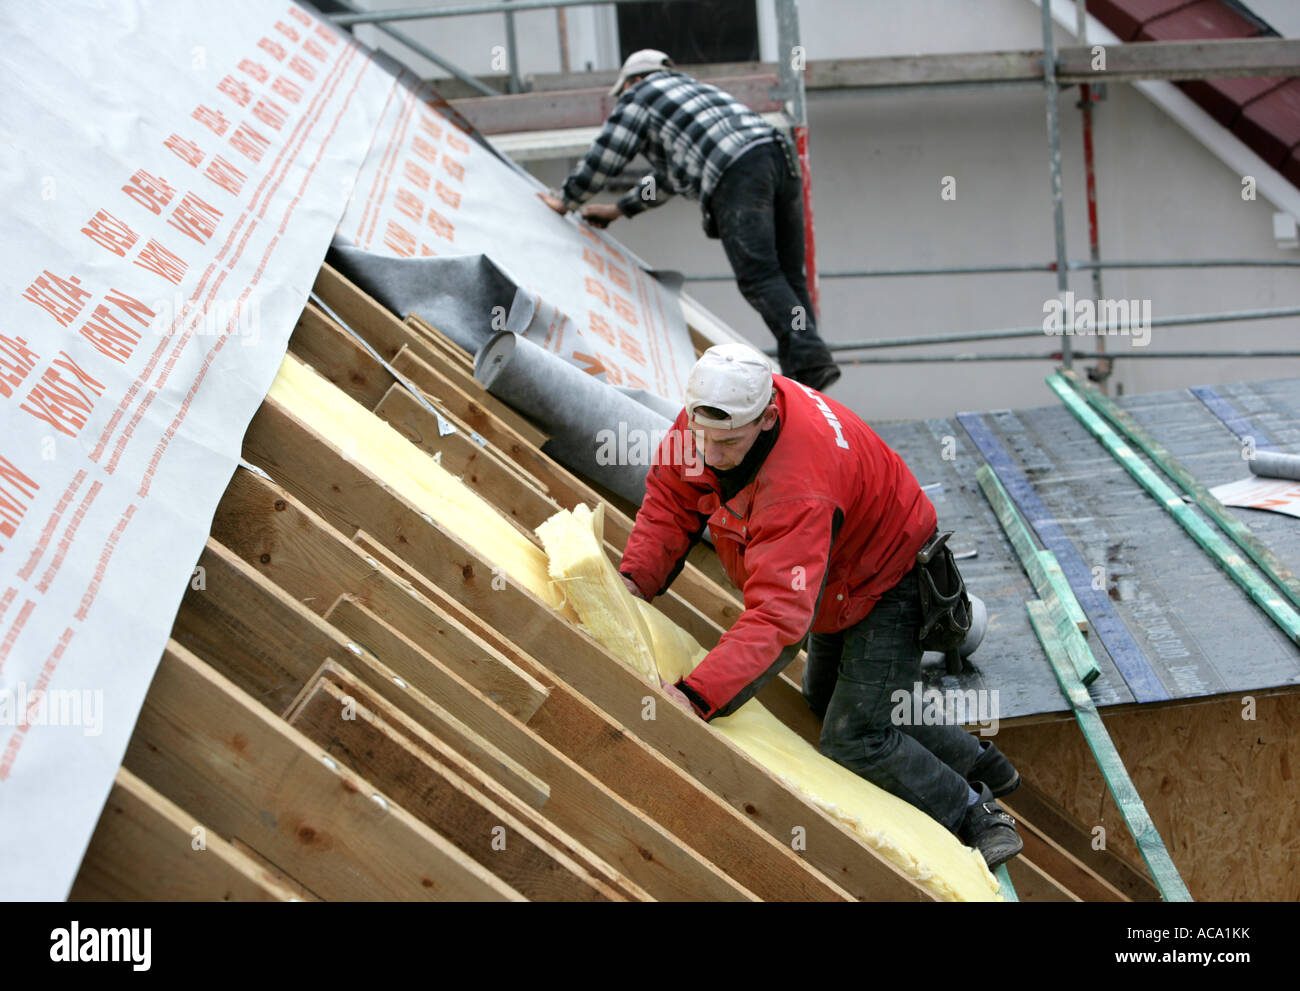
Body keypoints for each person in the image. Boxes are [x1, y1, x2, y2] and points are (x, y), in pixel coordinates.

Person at [617, 341, 1023, 869]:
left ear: (766, 418)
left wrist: (695, 697)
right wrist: (634, 581)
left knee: (854, 737)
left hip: (889, 576)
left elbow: (778, 617)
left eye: (728, 443)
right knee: (827, 696)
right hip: (835, 568)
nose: (710, 454)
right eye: (702, 438)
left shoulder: (798, 486)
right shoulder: (714, 416)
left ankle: (977, 813)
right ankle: (980, 763)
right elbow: (671, 503)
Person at [539, 49, 841, 392]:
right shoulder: (695, 96)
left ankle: (809, 361)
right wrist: (619, 210)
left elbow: (608, 153)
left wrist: (566, 199)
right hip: (777, 158)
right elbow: (667, 180)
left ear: (634, 80)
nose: (623, 101)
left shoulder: (642, 93)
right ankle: (807, 367)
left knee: (759, 276)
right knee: (788, 275)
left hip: (739, 171)